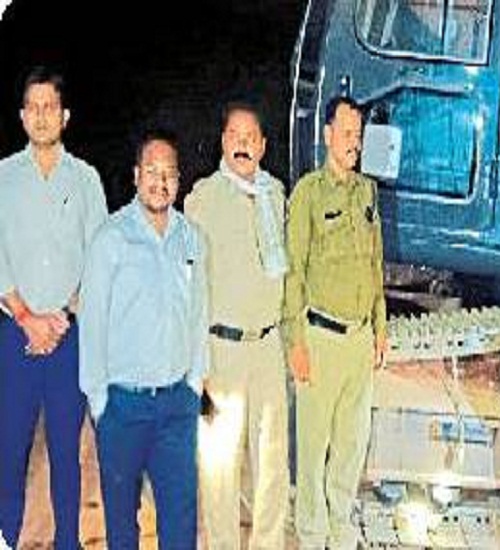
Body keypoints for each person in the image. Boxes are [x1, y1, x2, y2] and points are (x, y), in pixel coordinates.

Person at [79, 130, 207, 549]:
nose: (160, 181)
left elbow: (198, 314)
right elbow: (92, 323)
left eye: (169, 173)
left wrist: (194, 383)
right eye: (152, 171)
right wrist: (99, 402)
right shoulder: (110, 239)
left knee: (180, 522)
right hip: (123, 407)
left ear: (179, 181)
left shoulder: (191, 239)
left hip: (176, 406)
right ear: (136, 176)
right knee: (121, 525)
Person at [0, 66, 107, 550]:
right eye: (33, 107)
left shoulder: (85, 180)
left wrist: (62, 318)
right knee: (10, 449)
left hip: (69, 337)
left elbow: (97, 255)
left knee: (67, 453)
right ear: (22, 116)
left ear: (65, 116)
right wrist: (26, 317)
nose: (42, 116)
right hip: (13, 334)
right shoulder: (3, 177)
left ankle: (68, 542)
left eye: (50, 107)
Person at [185, 100, 289, 550]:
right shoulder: (202, 199)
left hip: (267, 346)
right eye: (235, 136)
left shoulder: (276, 195)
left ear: (263, 146)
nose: (243, 144)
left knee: (272, 465)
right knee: (219, 467)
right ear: (223, 142)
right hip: (220, 351)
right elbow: (189, 286)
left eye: (251, 138)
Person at [284, 96, 387, 550]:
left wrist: (380, 327)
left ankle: (340, 530)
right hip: (320, 339)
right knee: (312, 448)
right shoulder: (308, 192)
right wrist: (295, 340)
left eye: (358, 135)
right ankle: (311, 534)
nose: (354, 142)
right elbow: (293, 271)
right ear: (327, 135)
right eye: (346, 133)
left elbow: (375, 263)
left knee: (350, 446)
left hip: (359, 340)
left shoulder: (367, 192)